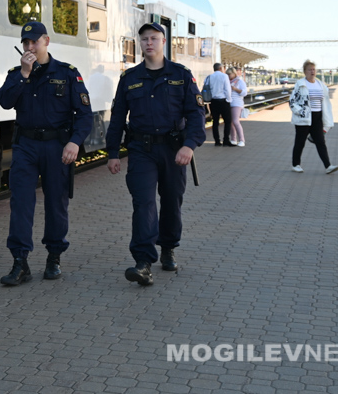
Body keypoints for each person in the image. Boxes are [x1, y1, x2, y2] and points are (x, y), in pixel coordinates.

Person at [106, 22, 206, 286]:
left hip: (174, 151)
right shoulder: (129, 78)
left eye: (154, 38)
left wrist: (190, 145)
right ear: (139, 44)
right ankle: (143, 262)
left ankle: (169, 247)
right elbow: (117, 118)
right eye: (144, 39)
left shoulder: (181, 75)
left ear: (163, 42)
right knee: (143, 203)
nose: (148, 43)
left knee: (172, 201)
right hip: (141, 150)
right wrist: (113, 152)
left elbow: (197, 114)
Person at [0, 21, 93, 285]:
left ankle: (54, 257)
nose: (29, 47)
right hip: (25, 146)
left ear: (46, 41)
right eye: (25, 42)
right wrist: (24, 75)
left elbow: (85, 116)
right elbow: (4, 101)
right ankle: (20, 262)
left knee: (56, 203)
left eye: (34, 42)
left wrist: (74, 143)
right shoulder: (17, 73)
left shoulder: (67, 73)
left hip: (57, 147)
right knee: (21, 203)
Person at [288, 59, 338, 174]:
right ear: (305, 72)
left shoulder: (320, 84)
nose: (312, 72)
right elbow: (292, 101)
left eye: (314, 69)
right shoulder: (300, 84)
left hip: (317, 117)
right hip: (304, 117)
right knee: (300, 142)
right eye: (310, 70)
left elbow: (325, 101)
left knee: (320, 142)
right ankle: (296, 165)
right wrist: (300, 112)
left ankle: (328, 166)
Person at [204, 63, 234, 146]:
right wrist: (229, 100)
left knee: (215, 121)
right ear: (221, 68)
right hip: (223, 101)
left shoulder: (209, 77)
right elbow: (227, 89)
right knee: (227, 121)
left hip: (213, 102)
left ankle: (217, 141)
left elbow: (206, 88)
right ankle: (226, 140)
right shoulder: (224, 76)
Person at [227, 67, 247, 146]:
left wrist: (235, 89)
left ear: (234, 73)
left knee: (235, 121)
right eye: (227, 74)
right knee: (231, 122)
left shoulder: (240, 82)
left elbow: (244, 92)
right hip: (229, 103)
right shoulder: (227, 81)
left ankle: (242, 140)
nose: (228, 76)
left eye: (229, 74)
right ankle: (233, 139)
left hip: (237, 103)